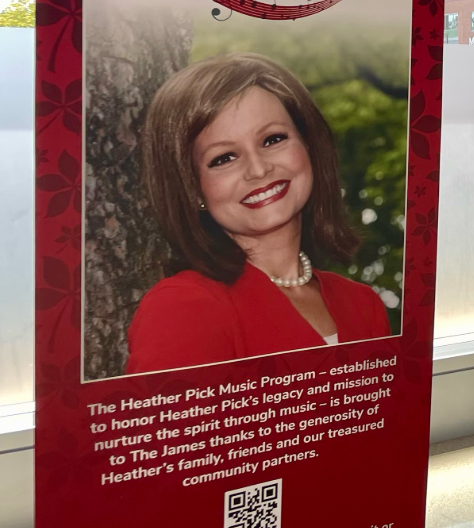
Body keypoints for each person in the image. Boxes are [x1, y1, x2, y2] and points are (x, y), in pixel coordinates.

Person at [125, 52, 392, 374]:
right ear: (192, 188)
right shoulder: (183, 307)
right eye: (223, 158)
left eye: (273, 139)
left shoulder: (363, 304)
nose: (259, 168)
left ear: (309, 146)